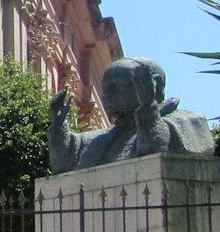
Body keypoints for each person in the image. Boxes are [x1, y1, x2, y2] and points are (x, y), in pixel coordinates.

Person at [49, 57, 214, 174]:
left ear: (154, 84)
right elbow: (62, 167)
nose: (106, 95)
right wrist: (58, 128)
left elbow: (154, 155)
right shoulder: (96, 140)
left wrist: (148, 109)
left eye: (117, 86)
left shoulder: (189, 122)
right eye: (105, 88)